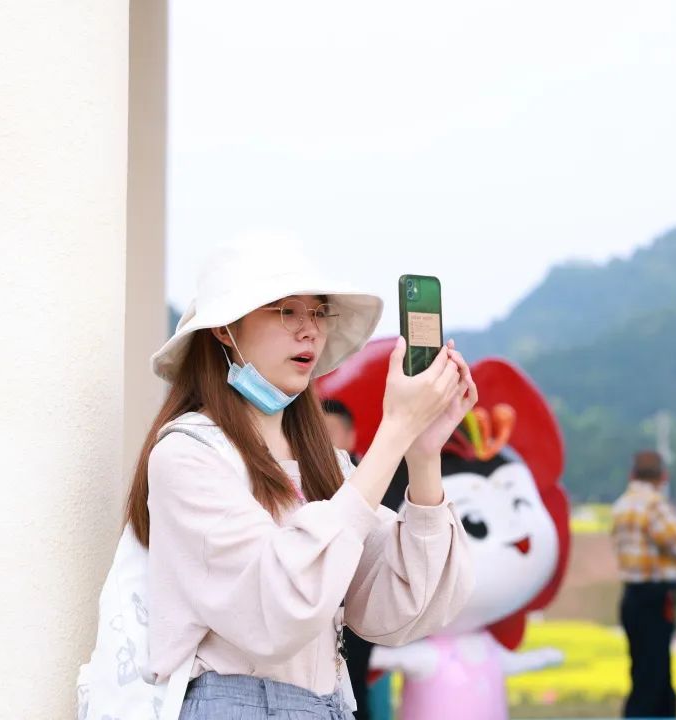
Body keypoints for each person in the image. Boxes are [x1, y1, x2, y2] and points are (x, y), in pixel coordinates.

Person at [126, 245, 477, 720]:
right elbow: (277, 607)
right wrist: (394, 431)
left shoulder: (325, 465)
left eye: (318, 311)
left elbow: (400, 604)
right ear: (224, 329)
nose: (309, 328)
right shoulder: (188, 455)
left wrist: (423, 452)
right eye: (286, 310)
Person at [610, 450, 676, 719]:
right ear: (663, 477)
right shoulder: (654, 505)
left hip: (631, 594)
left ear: (632, 475)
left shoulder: (621, 505)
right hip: (657, 596)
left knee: (640, 668)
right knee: (656, 673)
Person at [320, 397, 373, 719]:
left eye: (330, 432)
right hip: (319, 604)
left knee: (355, 690)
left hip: (354, 607)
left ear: (352, 437)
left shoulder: (367, 481)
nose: (322, 440)